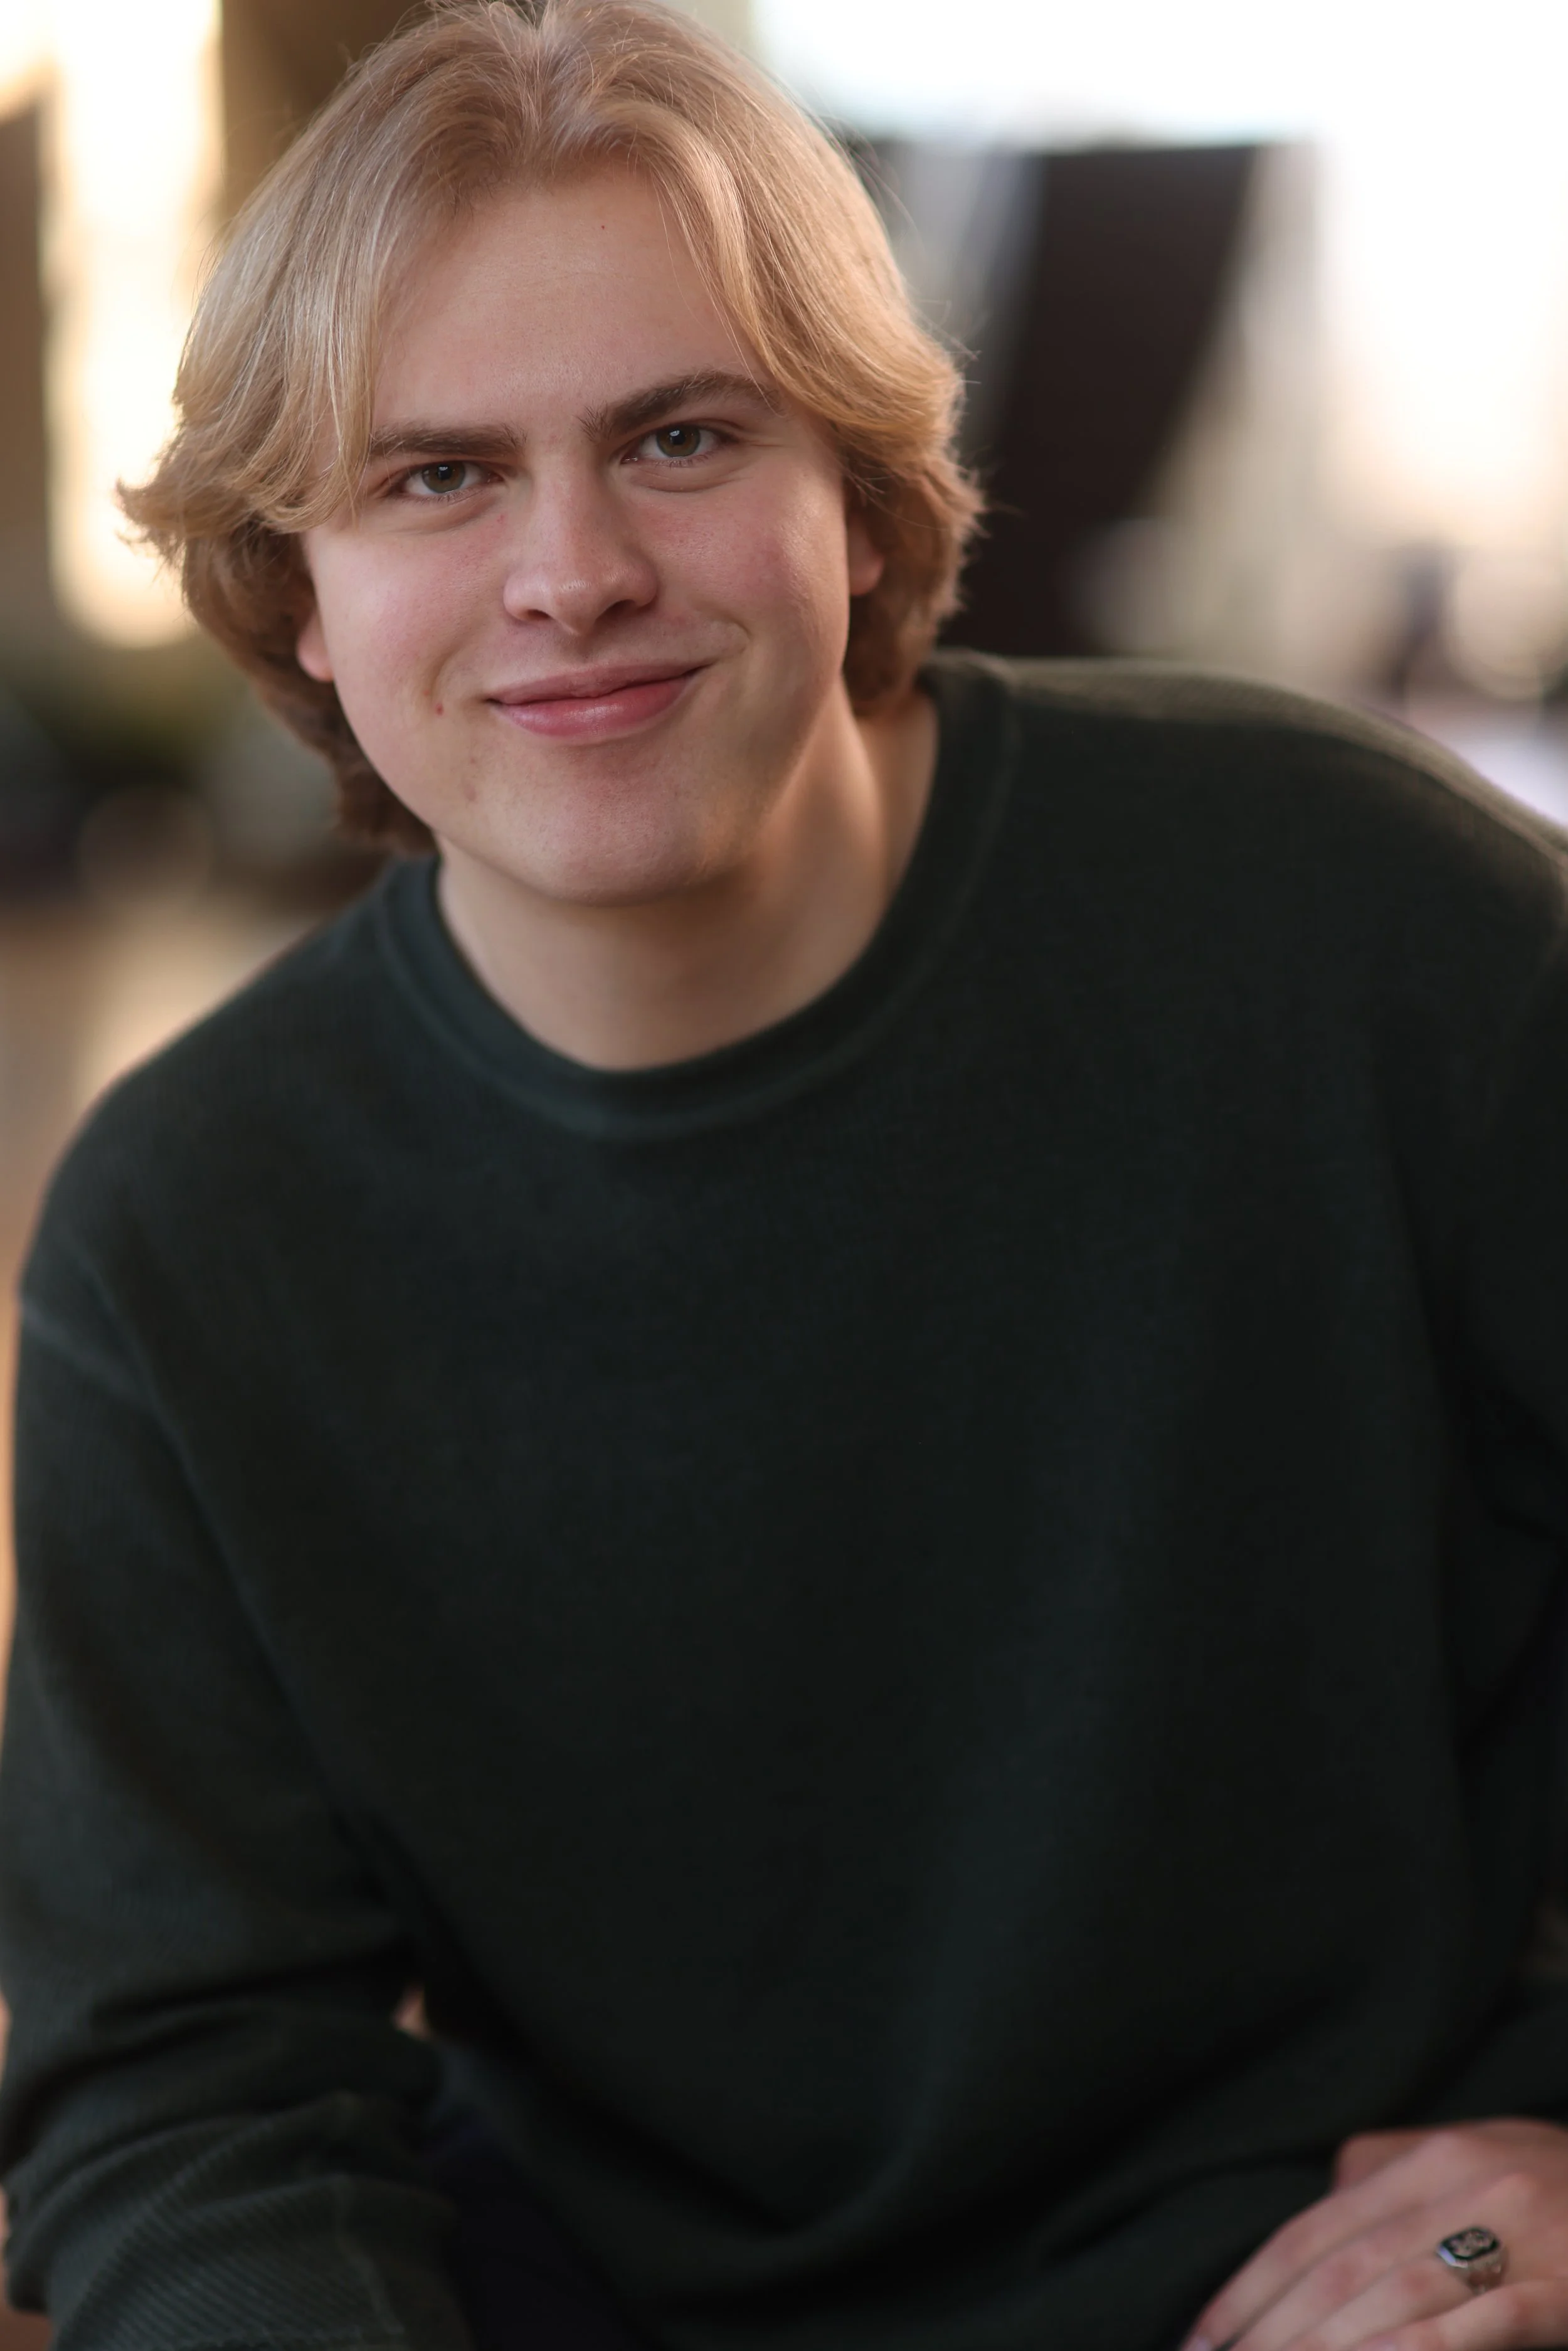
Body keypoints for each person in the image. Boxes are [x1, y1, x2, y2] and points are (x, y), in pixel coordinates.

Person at [3, 2, 1568, 2346]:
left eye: (681, 436)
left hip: (1359, 2278)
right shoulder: (188, 1233)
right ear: (293, 591)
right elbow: (186, 2086)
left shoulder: (1361, 927)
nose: (572, 571)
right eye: (434, 475)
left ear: (858, 497)